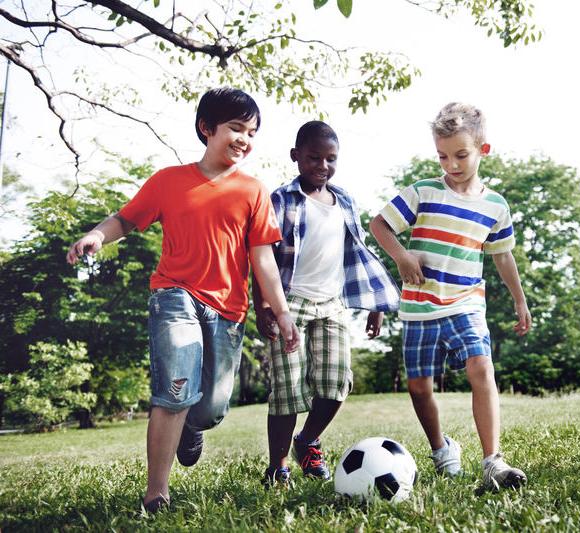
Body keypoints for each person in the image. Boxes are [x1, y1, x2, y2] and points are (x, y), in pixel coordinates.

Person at [65, 87, 301, 512]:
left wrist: (282, 312)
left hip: (227, 310)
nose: (244, 139)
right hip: (174, 295)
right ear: (206, 128)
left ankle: (193, 425)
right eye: (235, 128)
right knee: (173, 391)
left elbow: (262, 258)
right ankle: (157, 493)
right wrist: (97, 235)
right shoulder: (169, 181)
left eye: (252, 131)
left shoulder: (253, 191)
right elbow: (125, 219)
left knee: (210, 408)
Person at [369, 102, 532, 491]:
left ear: (482, 150)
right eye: (443, 156)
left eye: (461, 155)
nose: (452, 165)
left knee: (482, 368)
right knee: (419, 388)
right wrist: (402, 256)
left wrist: (520, 299)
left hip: (466, 302)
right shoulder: (423, 192)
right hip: (419, 307)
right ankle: (442, 449)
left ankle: (493, 460)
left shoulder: (495, 206)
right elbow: (379, 225)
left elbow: (503, 255)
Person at [254, 120, 399, 486]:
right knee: (287, 391)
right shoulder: (281, 200)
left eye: (330, 158)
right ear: (296, 157)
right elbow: (260, 256)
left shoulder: (345, 200)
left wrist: (375, 304)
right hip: (289, 303)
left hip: (331, 303)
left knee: (336, 384)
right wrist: (262, 307)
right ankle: (278, 466)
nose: (322, 165)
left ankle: (308, 440)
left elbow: (359, 252)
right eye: (314, 157)